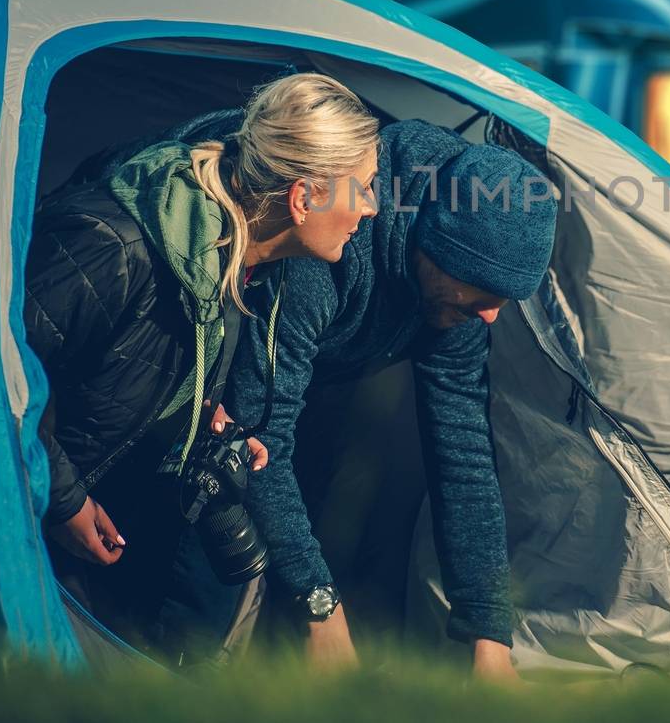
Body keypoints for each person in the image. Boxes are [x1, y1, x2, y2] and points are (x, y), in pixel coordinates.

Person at [23, 73, 380, 657]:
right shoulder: (111, 244)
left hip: (80, 524)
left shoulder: (232, 260)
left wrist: (198, 416)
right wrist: (61, 499)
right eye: (362, 189)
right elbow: (3, 372)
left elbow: (120, 370)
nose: (370, 210)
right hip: (7, 515)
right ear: (304, 196)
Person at [224, 117, 558, 683]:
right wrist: (320, 606)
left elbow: (464, 460)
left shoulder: (459, 296)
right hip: (208, 402)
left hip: (320, 383)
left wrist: (490, 638)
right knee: (219, 571)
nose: (490, 315)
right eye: (481, 295)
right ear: (434, 252)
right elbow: (258, 434)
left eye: (503, 300)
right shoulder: (329, 243)